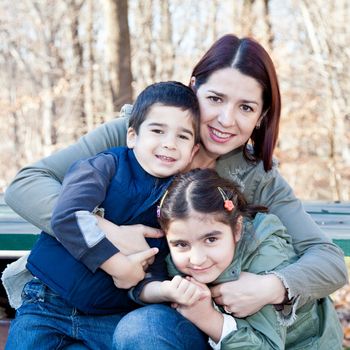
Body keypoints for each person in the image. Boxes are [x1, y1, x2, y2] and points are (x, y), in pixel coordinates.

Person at [2, 34, 347, 349]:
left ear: (261, 116)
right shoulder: (140, 132)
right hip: (93, 297)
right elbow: (27, 184)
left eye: (245, 107)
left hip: (196, 319)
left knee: (141, 330)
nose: (226, 119)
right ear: (194, 87)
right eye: (215, 98)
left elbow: (330, 261)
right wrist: (109, 233)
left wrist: (270, 287)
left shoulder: (258, 176)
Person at [4, 81, 201, 349]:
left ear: (194, 151)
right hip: (48, 302)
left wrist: (163, 290)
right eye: (157, 130)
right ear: (132, 136)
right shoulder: (104, 166)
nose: (169, 144)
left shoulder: (179, 198)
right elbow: (68, 215)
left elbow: (152, 267)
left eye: (183, 136)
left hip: (110, 315)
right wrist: (117, 264)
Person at [127, 168, 342, 349]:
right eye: (182, 244)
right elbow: (139, 283)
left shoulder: (265, 255)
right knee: (138, 328)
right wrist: (165, 290)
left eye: (210, 239)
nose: (197, 259)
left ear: (237, 229)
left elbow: (268, 345)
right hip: (227, 337)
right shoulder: (178, 255)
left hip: (295, 345)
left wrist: (207, 318)